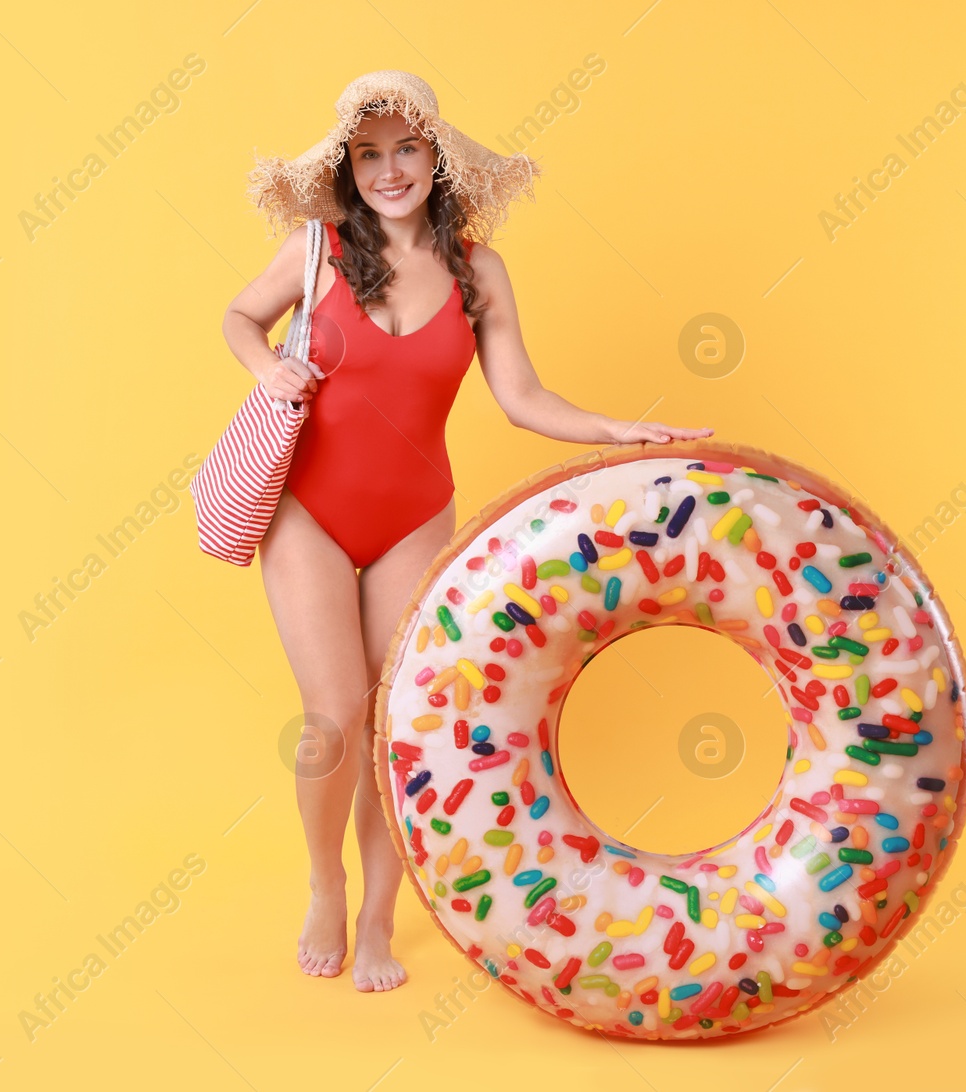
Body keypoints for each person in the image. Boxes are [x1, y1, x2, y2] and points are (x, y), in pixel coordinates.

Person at [221, 71, 713, 992]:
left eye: (405, 148)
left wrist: (617, 429)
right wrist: (264, 368)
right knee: (332, 711)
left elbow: (520, 397)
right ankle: (323, 884)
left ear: (436, 156)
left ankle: (377, 915)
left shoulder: (477, 269)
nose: (388, 170)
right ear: (349, 169)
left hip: (413, 513)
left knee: (392, 722)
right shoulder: (316, 250)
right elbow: (239, 317)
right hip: (307, 514)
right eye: (367, 155)